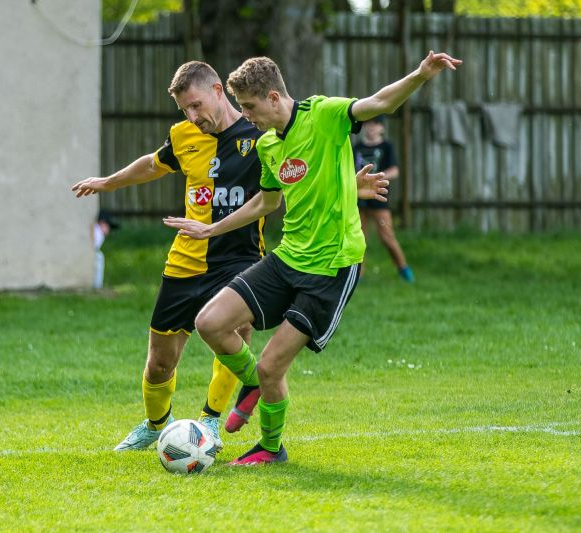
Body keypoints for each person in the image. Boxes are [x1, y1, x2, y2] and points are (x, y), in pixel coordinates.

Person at [164, 51, 461, 465]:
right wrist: (212, 229)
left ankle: (270, 447)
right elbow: (265, 203)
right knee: (209, 323)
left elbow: (380, 103)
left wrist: (421, 74)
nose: (246, 117)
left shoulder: (324, 115)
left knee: (272, 368)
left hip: (332, 268)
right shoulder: (268, 145)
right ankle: (252, 386)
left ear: (272, 97)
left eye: (249, 107)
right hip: (288, 258)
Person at [70, 61, 266, 452]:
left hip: (238, 257)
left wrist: (352, 183)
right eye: (184, 111)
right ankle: (157, 425)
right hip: (185, 261)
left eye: (195, 105)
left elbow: (299, 172)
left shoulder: (259, 135)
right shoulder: (184, 136)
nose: (192, 117)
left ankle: (211, 421)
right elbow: (153, 164)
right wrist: (107, 183)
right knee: (159, 361)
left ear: (217, 90)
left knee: (234, 335)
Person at [352, 116, 414, 282]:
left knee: (387, 237)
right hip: (358, 200)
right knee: (359, 238)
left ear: (381, 128)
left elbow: (395, 171)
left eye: (375, 124)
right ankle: (358, 275)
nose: (371, 127)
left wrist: (374, 179)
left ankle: (404, 269)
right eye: (368, 124)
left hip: (379, 199)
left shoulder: (386, 146)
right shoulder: (357, 147)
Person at [92, 210, 119, 289]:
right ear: (102, 223)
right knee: (99, 256)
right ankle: (97, 285)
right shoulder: (98, 232)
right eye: (108, 226)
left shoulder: (97, 231)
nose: (109, 229)